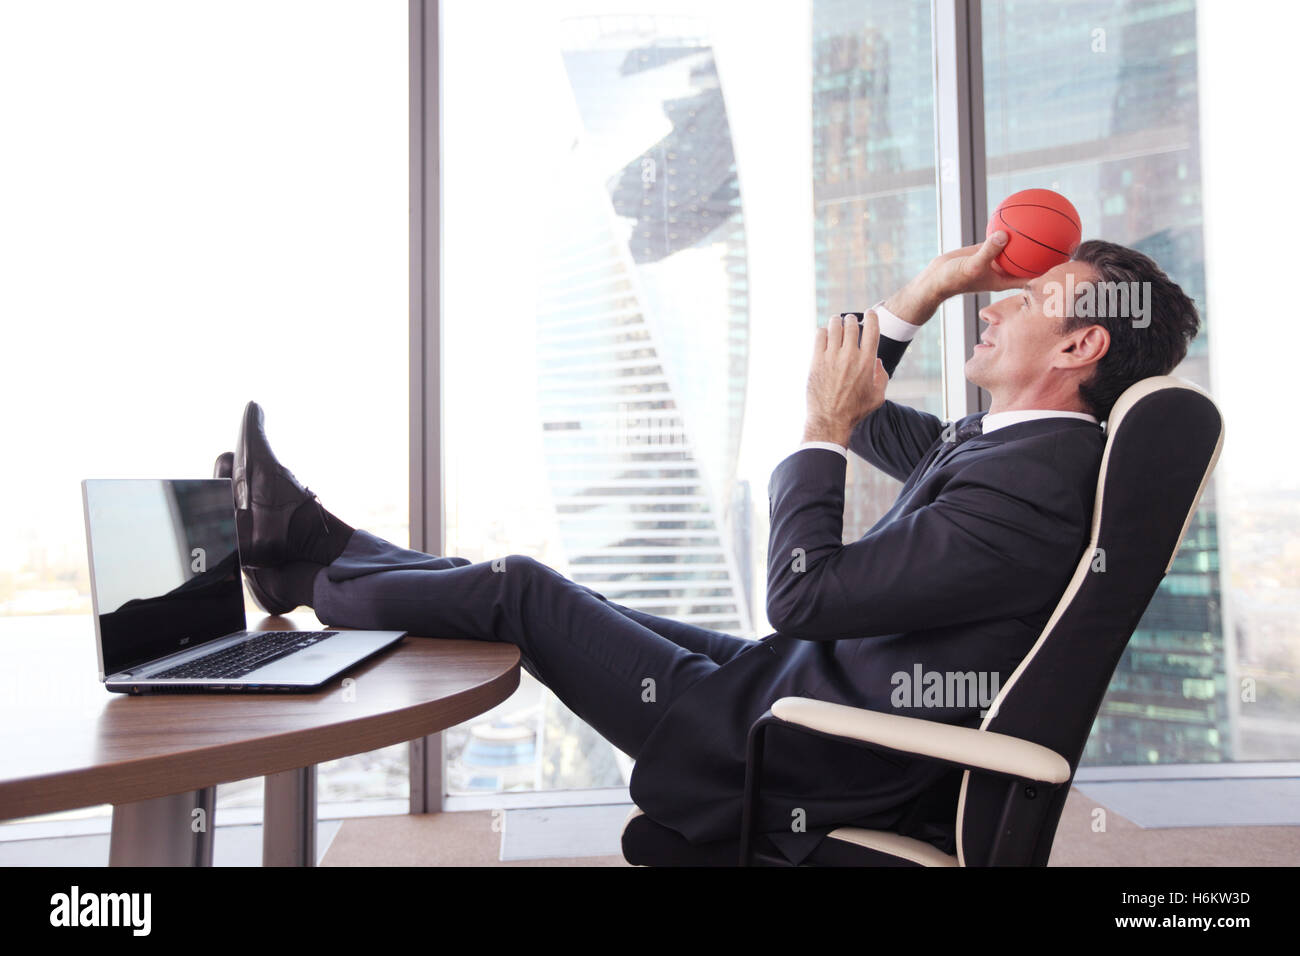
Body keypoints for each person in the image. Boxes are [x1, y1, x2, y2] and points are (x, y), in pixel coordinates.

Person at [217, 231, 1200, 864]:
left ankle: (302, 553)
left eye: (1027, 302)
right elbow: (868, 416)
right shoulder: (1014, 451)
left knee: (521, 587)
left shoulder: (1027, 488)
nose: (996, 305)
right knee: (539, 590)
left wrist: (817, 431)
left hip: (807, 746)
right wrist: (930, 288)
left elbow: (803, 591)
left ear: (1080, 348)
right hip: (800, 688)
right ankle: (306, 547)